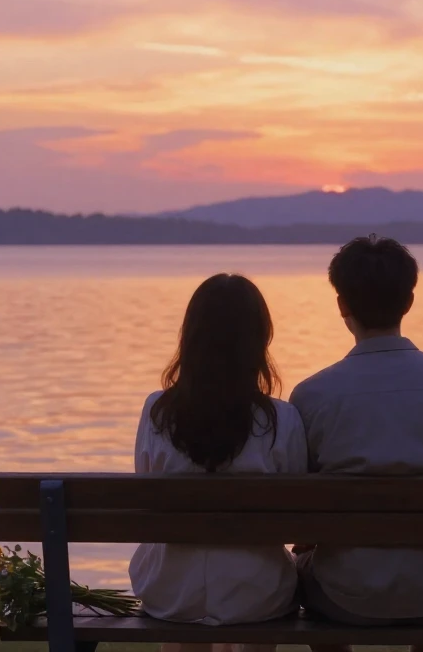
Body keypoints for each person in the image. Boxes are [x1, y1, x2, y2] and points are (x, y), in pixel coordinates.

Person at [289, 235, 423, 652]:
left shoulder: (312, 395)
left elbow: (299, 514)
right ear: (409, 301)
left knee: (306, 567)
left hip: (345, 597)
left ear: (342, 305)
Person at [129, 273, 308, 637]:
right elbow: (298, 516)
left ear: (190, 338)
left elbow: (145, 495)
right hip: (258, 595)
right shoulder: (281, 419)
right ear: (259, 340)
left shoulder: (156, 412)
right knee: (260, 585)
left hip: (169, 593)